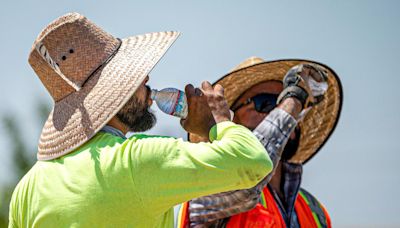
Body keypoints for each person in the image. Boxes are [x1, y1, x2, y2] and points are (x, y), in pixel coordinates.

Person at [8, 14, 275, 227]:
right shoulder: (138, 160)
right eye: (135, 78)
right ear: (112, 93)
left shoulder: (27, 189)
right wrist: (217, 121)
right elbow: (254, 161)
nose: (146, 79)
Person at [177, 57, 342, 228]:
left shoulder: (314, 210)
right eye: (265, 103)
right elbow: (247, 176)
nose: (283, 110)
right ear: (233, 121)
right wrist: (295, 98)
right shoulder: (207, 185)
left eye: (283, 101)